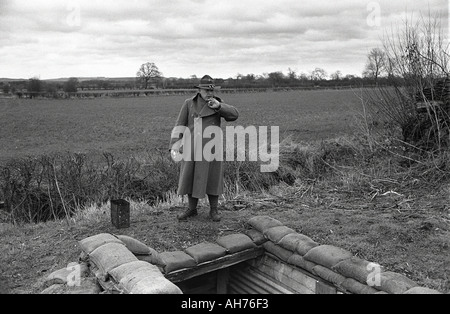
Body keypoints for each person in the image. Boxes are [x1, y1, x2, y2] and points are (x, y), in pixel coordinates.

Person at [169, 75, 239, 222]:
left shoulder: (217, 104)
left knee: (213, 179)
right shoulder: (189, 103)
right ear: (199, 90)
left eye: (211, 91)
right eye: (206, 90)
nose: (209, 93)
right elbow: (179, 125)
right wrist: (174, 145)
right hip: (191, 148)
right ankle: (191, 209)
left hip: (212, 148)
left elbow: (234, 115)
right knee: (190, 177)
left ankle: (214, 210)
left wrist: (219, 107)